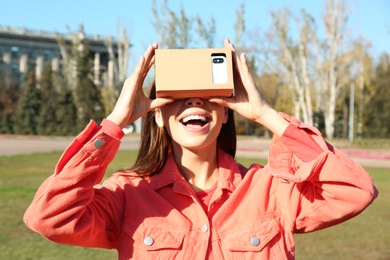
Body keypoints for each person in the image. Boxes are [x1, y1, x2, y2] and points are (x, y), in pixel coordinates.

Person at [24, 39, 378, 259]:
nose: (193, 101)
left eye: (208, 96)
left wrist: (267, 115)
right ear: (158, 117)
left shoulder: (271, 192)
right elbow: (48, 217)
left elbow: (355, 191)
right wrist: (115, 122)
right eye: (176, 97)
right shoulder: (127, 194)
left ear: (225, 113)